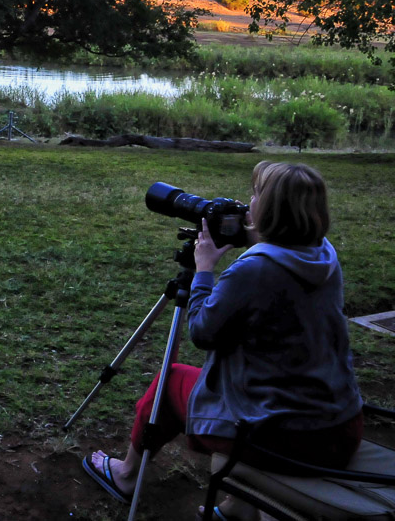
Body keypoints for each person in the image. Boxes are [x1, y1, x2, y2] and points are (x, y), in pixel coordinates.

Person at [81, 161, 363, 520]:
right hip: (341, 426)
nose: (249, 201)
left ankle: (126, 476)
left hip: (286, 439)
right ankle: (237, 508)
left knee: (169, 383)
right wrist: (257, 235)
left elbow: (201, 331)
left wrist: (203, 271)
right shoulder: (324, 254)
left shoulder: (254, 269)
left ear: (271, 209)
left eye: (257, 194)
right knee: (248, 383)